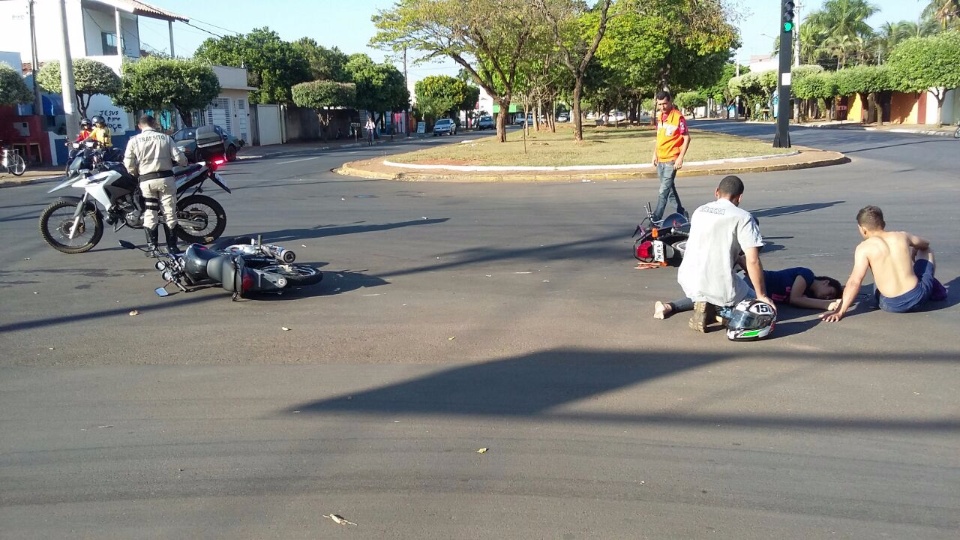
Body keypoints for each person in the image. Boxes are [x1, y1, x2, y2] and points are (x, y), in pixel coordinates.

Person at [675, 175, 774, 332]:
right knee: (754, 306)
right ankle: (722, 313)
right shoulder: (743, 217)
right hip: (720, 285)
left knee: (716, 286)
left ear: (716, 192)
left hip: (690, 280)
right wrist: (761, 295)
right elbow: (753, 260)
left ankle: (705, 303)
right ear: (739, 198)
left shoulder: (699, 210)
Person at [821, 205, 947, 322]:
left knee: (878, 269)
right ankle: (933, 289)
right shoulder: (902, 236)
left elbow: (855, 281)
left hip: (891, 305)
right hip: (918, 297)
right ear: (884, 223)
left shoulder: (864, 248)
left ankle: (878, 297)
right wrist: (915, 248)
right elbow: (925, 244)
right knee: (926, 251)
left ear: (863, 230)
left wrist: (840, 311)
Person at [655, 267, 842, 319]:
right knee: (723, 301)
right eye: (828, 293)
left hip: (755, 294)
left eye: (826, 298)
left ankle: (669, 306)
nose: (825, 296)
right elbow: (796, 299)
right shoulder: (807, 275)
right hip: (752, 284)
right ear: (825, 281)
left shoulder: (808, 292)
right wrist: (827, 305)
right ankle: (715, 314)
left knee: (713, 298)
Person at [123, 114, 188, 257]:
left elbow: (128, 163)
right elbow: (179, 158)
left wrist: (135, 172)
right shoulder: (165, 138)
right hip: (166, 180)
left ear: (140, 126)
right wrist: (184, 162)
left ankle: (153, 248)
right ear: (154, 124)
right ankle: (172, 247)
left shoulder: (134, 141)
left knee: (150, 212)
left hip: (147, 181)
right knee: (169, 212)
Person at [651, 90, 691, 222]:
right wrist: (654, 154)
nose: (662, 107)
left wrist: (680, 158)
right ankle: (681, 212)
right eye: (659, 104)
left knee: (663, 191)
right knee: (669, 190)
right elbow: (659, 137)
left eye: (665, 104)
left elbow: (686, 138)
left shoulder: (678, 117)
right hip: (660, 159)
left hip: (671, 160)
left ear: (670, 102)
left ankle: (656, 218)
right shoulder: (659, 117)